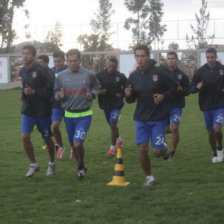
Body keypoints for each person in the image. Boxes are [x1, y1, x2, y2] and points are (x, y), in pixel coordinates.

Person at [125, 44, 176, 186]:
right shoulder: (133, 76)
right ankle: (149, 177)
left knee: (157, 152)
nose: (140, 59)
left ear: (148, 56)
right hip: (141, 118)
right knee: (142, 149)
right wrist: (128, 95)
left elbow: (174, 88)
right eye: (137, 56)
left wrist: (163, 96)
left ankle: (163, 148)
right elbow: (130, 99)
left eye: (142, 56)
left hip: (158, 117)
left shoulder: (159, 72)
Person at [54, 49, 101, 180]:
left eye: (75, 61)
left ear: (80, 60)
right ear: (66, 61)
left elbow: (97, 87)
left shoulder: (88, 74)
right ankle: (81, 165)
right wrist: (59, 95)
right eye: (70, 61)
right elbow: (55, 92)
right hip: (69, 115)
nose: (73, 63)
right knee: (73, 145)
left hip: (84, 114)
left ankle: (80, 167)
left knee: (77, 143)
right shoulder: (62, 76)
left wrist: (92, 94)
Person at [20, 45, 55, 177]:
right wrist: (23, 94)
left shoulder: (42, 71)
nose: (25, 56)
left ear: (34, 56)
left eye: (28, 54)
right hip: (28, 110)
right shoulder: (22, 70)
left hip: (42, 111)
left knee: (47, 139)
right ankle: (33, 164)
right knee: (24, 136)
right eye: (23, 53)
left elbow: (49, 91)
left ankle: (52, 163)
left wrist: (34, 92)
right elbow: (25, 86)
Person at [190, 48, 224, 163]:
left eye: (212, 57)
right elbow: (191, 87)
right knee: (210, 132)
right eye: (208, 57)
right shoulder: (201, 71)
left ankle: (220, 146)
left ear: (216, 56)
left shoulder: (222, 69)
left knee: (217, 128)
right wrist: (196, 88)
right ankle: (215, 153)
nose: (210, 59)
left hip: (220, 104)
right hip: (206, 105)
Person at [160, 51, 189, 160]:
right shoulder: (161, 72)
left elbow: (188, 90)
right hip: (164, 104)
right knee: (164, 129)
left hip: (176, 105)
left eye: (172, 58)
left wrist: (182, 90)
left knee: (174, 127)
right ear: (166, 60)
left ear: (176, 60)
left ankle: (172, 151)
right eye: (168, 58)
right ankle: (171, 139)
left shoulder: (182, 75)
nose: (170, 60)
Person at [96, 56, 127, 156]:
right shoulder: (99, 75)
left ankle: (112, 148)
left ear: (116, 66)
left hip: (117, 105)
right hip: (105, 104)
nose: (111, 69)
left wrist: (121, 94)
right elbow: (93, 88)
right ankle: (119, 139)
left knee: (113, 123)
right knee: (112, 126)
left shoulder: (120, 76)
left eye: (113, 67)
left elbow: (128, 88)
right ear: (106, 64)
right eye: (109, 66)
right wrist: (100, 92)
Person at [51, 51, 69, 160]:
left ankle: (74, 146)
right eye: (55, 61)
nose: (57, 63)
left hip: (69, 105)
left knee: (70, 129)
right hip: (56, 104)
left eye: (59, 61)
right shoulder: (50, 72)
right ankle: (61, 145)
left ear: (64, 60)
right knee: (55, 126)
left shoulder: (69, 70)